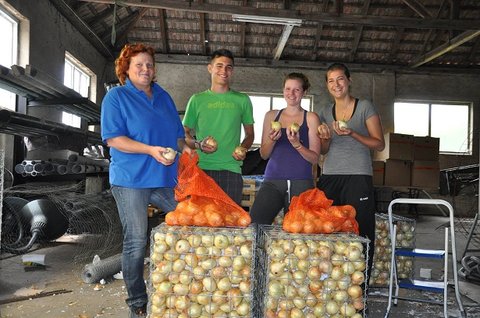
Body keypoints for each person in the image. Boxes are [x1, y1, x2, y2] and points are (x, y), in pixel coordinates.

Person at [100, 43, 191, 318]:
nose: (145, 69)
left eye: (149, 65)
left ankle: (183, 285)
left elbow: (177, 137)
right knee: (136, 240)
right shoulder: (116, 97)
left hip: (164, 177)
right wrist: (150, 150)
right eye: (138, 64)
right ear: (125, 69)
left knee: (190, 217)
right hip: (131, 179)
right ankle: (137, 303)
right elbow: (114, 139)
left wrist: (190, 147)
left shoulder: (162, 96)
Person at [317, 62, 385, 278]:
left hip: (358, 176)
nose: (336, 84)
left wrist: (353, 133)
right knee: (327, 228)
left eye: (340, 79)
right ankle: (330, 282)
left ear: (348, 80)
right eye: (331, 80)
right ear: (327, 85)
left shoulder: (364, 106)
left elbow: (379, 144)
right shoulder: (325, 112)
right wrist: (325, 139)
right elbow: (324, 149)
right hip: (330, 176)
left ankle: (360, 286)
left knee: (361, 230)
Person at [183, 49, 254, 205]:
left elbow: (250, 135)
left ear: (232, 71)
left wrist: (243, 149)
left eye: (228, 67)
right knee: (201, 221)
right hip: (202, 169)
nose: (224, 71)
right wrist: (198, 144)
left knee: (230, 222)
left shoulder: (242, 100)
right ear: (210, 68)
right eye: (219, 66)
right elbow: (184, 133)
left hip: (231, 169)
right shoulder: (197, 100)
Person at [249, 73, 321, 225]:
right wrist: (272, 140)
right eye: (288, 89)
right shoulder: (271, 116)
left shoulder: (311, 118)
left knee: (298, 231)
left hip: (301, 182)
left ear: (304, 92)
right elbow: (264, 154)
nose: (291, 93)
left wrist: (297, 144)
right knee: (255, 222)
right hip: (273, 181)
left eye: (296, 90)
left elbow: (315, 158)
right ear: (283, 90)